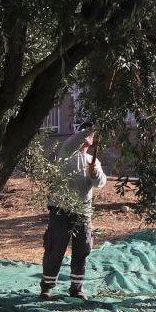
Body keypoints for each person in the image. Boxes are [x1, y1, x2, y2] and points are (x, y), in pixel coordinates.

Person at [40, 125, 108, 298]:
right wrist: (95, 125)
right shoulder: (66, 151)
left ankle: (76, 288)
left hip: (83, 212)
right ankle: (47, 287)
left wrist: (94, 174)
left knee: (83, 249)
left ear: (92, 141)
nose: (86, 139)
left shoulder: (92, 160)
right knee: (55, 248)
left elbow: (100, 183)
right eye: (84, 134)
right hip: (60, 210)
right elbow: (74, 141)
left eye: (90, 136)